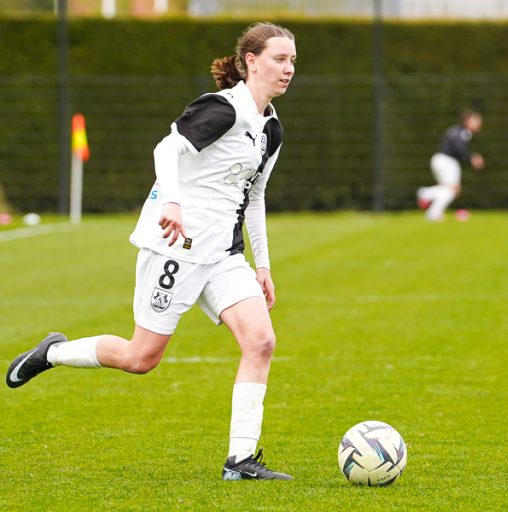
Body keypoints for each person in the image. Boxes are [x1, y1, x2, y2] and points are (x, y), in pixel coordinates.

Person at [5, 22, 296, 481]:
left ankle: (240, 461)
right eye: (280, 59)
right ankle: (52, 353)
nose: (288, 68)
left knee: (261, 342)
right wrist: (173, 201)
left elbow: (255, 196)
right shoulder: (223, 110)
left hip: (223, 254)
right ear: (251, 62)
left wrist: (263, 264)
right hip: (176, 247)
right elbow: (167, 149)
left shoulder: (271, 129)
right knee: (141, 358)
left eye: (293, 60)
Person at [417, 109, 485, 221]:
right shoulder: (462, 133)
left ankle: (426, 194)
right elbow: (459, 148)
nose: (479, 124)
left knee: (448, 189)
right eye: (476, 121)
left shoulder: (457, 131)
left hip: (440, 160)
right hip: (447, 161)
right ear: (467, 120)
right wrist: (472, 158)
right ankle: (432, 212)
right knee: (452, 190)